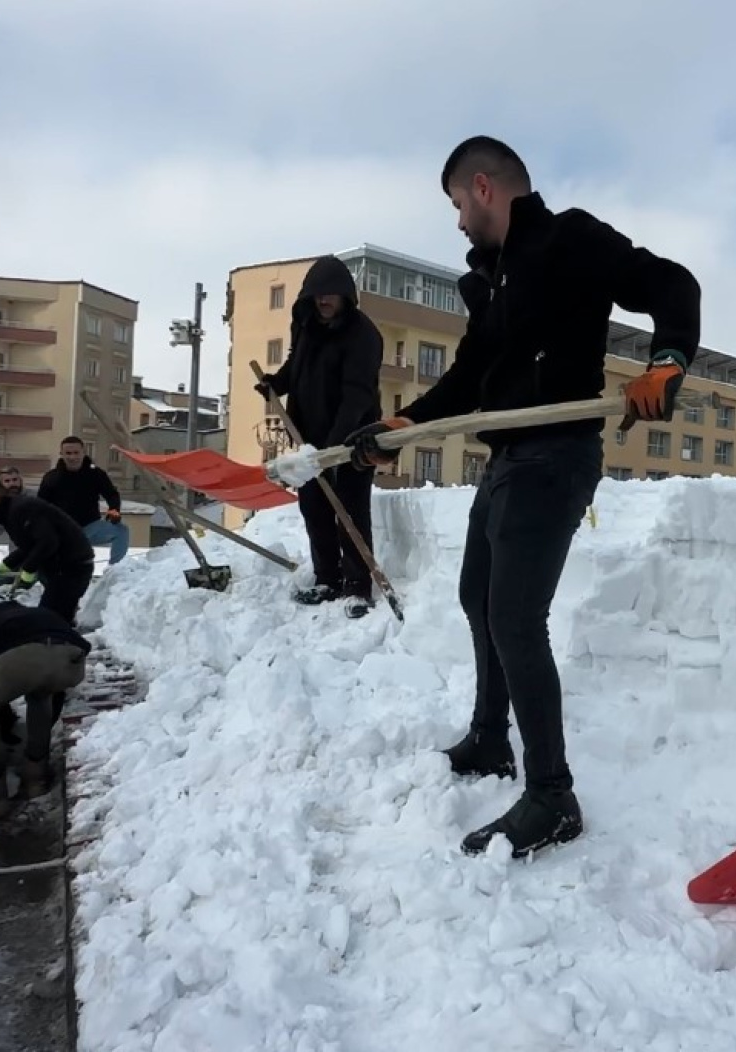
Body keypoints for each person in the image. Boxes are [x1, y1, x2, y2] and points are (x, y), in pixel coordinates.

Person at [346, 136, 701, 859]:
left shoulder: (569, 239)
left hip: (559, 453)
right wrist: (404, 425)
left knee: (515, 613)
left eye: (454, 205)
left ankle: (552, 794)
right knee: (479, 596)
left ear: (483, 187)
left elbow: (672, 285)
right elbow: (472, 378)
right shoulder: (492, 283)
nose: (456, 223)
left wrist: (667, 361)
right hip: (508, 458)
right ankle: (489, 738)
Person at [254, 254, 385, 618]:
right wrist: (275, 384)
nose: (323, 300)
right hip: (309, 440)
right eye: (316, 294)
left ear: (345, 295)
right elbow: (296, 366)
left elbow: (357, 395)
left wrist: (331, 449)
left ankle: (358, 587)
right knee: (314, 508)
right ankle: (328, 578)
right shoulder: (307, 325)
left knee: (350, 510)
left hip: (354, 442)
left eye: (330, 294)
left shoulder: (363, 335)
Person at [0, 599, 90, 820]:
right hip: (71, 659)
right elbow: (82, 643)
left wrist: (3, 720)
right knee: (42, 697)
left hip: (22, 657)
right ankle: (35, 779)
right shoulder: (42, 613)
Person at [0, 475, 96, 624]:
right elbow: (29, 545)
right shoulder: (10, 512)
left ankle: (66, 642)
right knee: (56, 618)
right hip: (63, 568)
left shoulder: (21, 509)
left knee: (50, 621)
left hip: (72, 568)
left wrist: (28, 569)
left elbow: (48, 542)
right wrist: (7, 564)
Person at [38, 436, 129, 568]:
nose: (72, 457)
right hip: (63, 532)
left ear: (83, 452)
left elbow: (112, 494)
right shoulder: (51, 477)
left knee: (121, 531)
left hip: (90, 527)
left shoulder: (96, 474)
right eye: (68, 453)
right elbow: (41, 505)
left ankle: (114, 571)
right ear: (61, 454)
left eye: (76, 453)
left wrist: (114, 511)